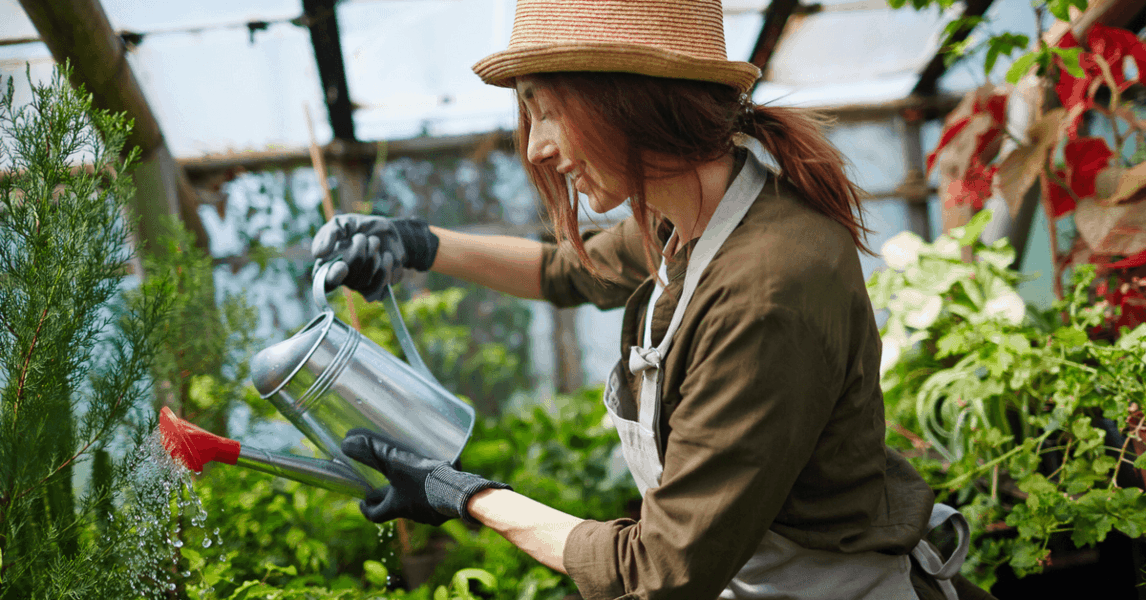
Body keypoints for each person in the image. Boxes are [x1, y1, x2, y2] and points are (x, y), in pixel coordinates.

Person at [312, 1, 991, 599]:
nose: (540, 146)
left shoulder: (765, 290)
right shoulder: (689, 211)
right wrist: (417, 244)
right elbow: (567, 273)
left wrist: (465, 495)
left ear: (627, 99)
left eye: (549, 110)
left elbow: (660, 572)